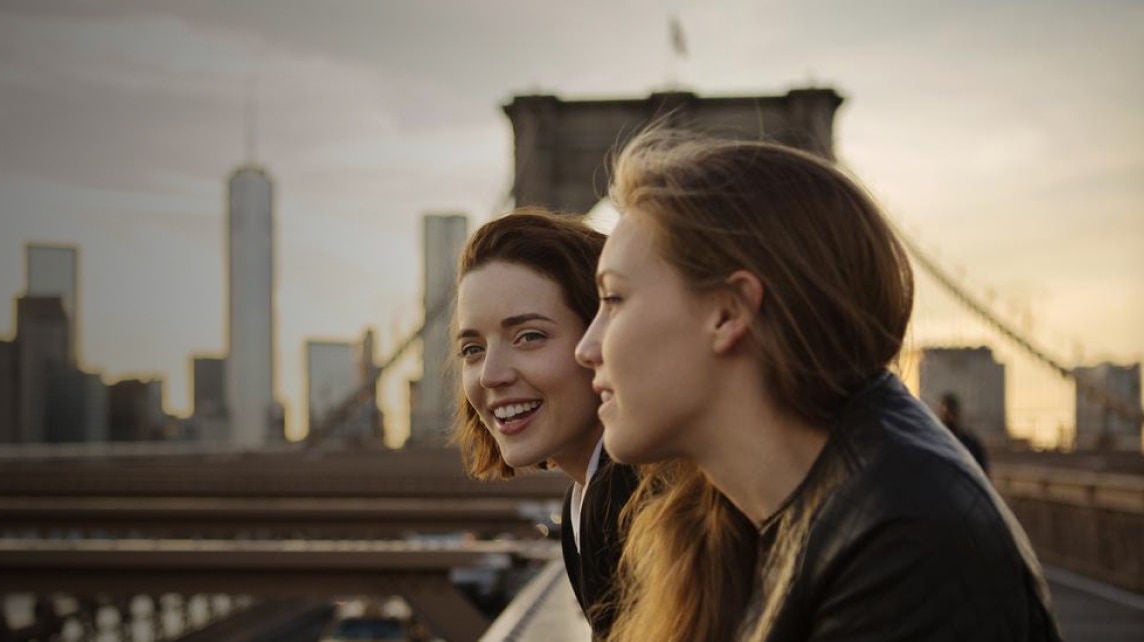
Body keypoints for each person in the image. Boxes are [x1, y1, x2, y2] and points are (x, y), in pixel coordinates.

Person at [574, 128, 1061, 642]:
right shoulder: (749, 519)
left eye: (614, 300)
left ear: (728, 313)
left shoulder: (904, 542)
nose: (586, 349)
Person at [452, 208, 639, 638]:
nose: (490, 375)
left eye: (529, 337)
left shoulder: (630, 501)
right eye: (473, 349)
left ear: (601, 341)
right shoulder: (587, 499)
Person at [938, 392, 990, 473]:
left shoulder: (970, 443)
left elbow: (981, 471)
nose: (949, 416)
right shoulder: (935, 442)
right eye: (946, 413)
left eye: (951, 412)